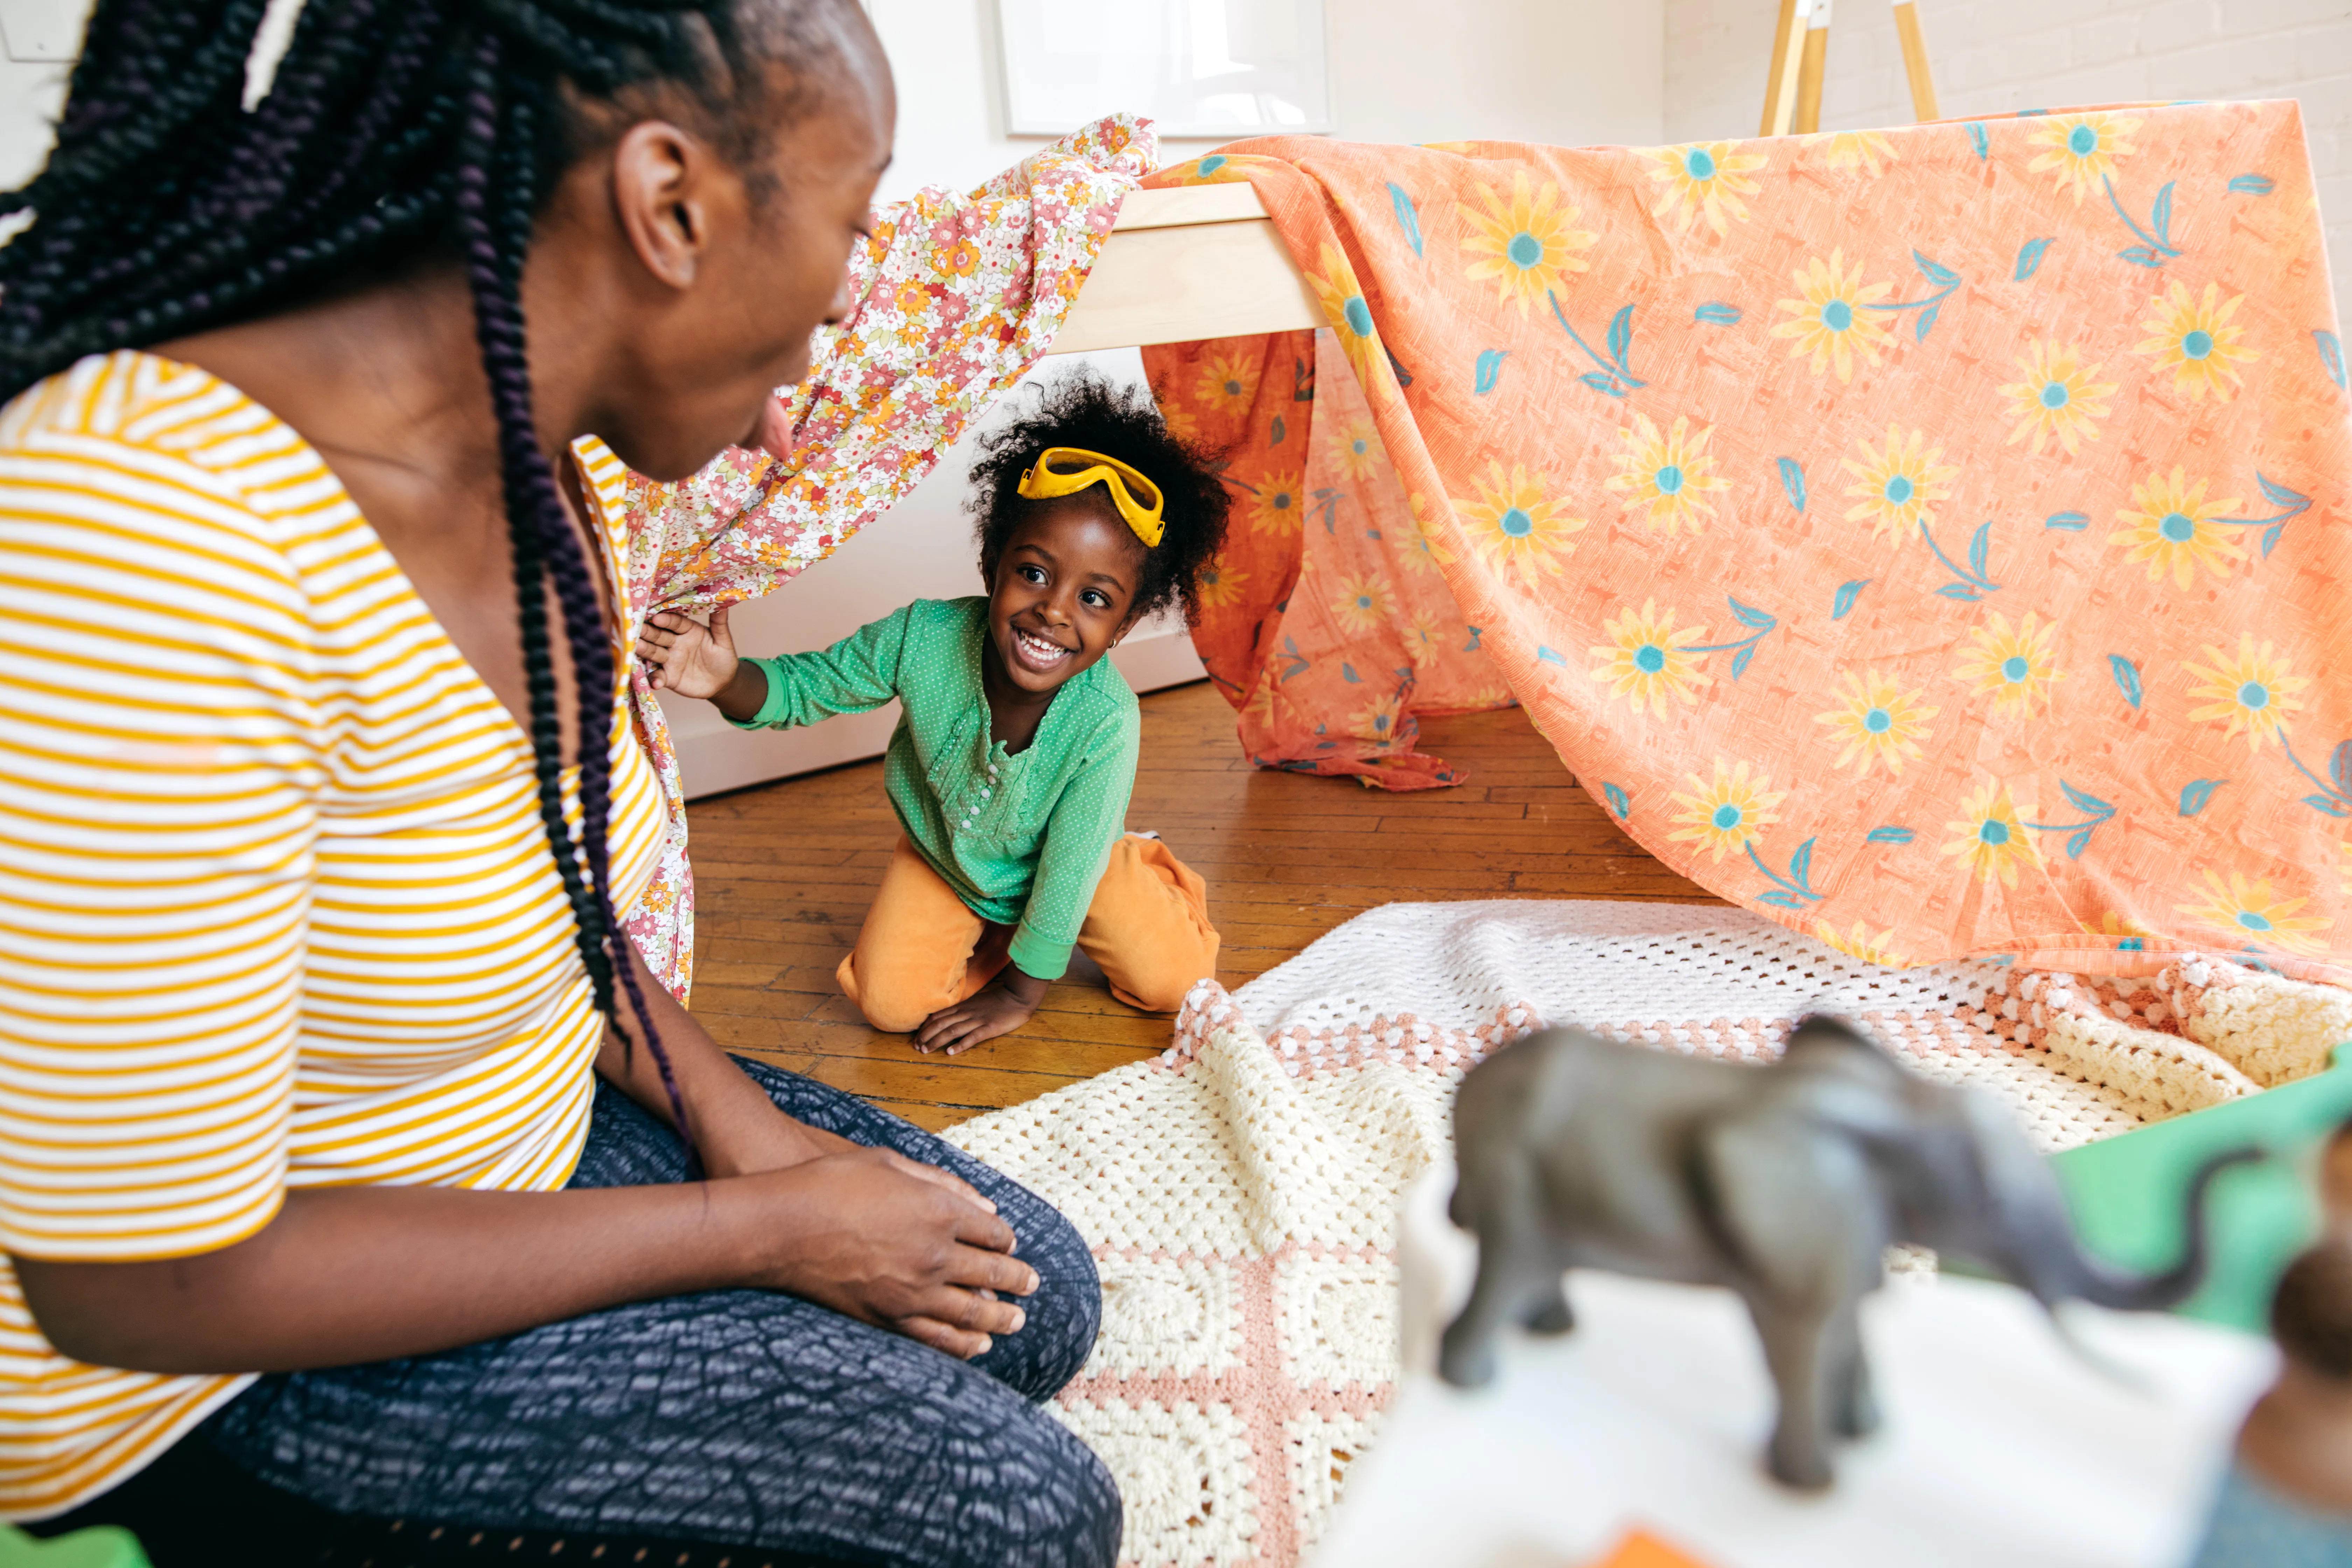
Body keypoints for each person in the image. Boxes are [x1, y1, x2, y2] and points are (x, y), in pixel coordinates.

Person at [0, 1, 1117, 1563]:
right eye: (844, 238)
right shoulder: (140, 536)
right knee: (1029, 1515)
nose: (808, 373)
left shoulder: (560, 480)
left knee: (1033, 1298)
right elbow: (137, 1282)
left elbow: (575, 921)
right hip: (217, 1362)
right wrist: (763, 1229)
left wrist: (756, 1139)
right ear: (671, 205)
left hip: (524, 1138)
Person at [638, 371, 1228, 1054]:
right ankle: (1008, 933)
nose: (1055, 609)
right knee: (890, 1004)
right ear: (993, 564)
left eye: (1095, 598)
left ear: (1123, 626)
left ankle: (1132, 870)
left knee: (1176, 981)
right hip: (949, 857)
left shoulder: (1107, 719)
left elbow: (1066, 874)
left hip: (1078, 868)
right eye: (1034, 572)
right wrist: (724, 680)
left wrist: (1019, 996)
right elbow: (808, 688)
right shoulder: (923, 636)